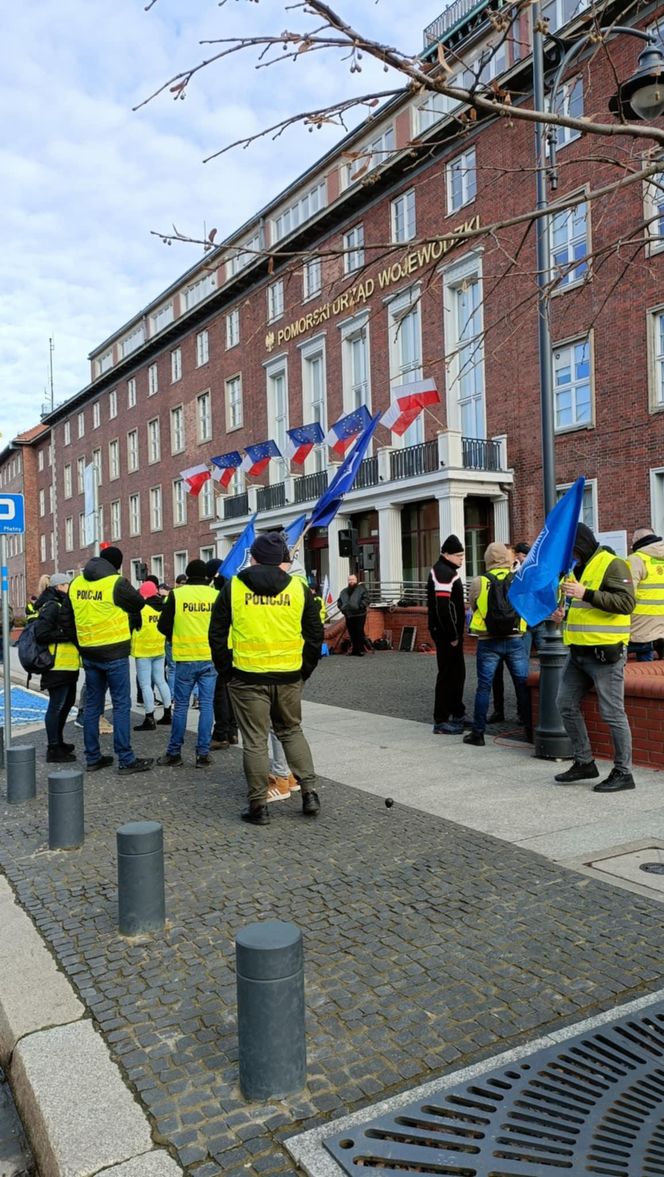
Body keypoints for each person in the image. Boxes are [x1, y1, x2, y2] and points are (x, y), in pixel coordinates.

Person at [209, 530, 323, 825]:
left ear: (254, 557)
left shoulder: (233, 588)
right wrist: (304, 669)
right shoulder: (298, 590)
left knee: (255, 740)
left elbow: (217, 633)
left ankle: (258, 805)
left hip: (247, 676)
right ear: (282, 561)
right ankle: (309, 792)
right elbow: (315, 634)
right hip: (288, 676)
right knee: (291, 731)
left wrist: (226, 670)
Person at [553, 522, 636, 792]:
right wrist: (561, 616)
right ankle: (584, 762)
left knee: (612, 714)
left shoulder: (613, 564)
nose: (571, 556)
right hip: (577, 652)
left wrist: (585, 593)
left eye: (573, 550)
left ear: (581, 544)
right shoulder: (577, 568)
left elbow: (626, 603)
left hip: (605, 654)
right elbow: (580, 608)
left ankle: (624, 773)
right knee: (564, 703)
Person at [69, 545, 153, 775]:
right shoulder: (115, 582)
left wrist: (80, 643)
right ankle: (125, 758)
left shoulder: (76, 583)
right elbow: (138, 602)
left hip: (89, 652)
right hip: (114, 653)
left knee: (93, 704)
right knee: (121, 704)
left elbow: (68, 616)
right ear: (116, 564)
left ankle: (93, 757)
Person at [463, 542, 531, 747]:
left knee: (484, 687)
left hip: (488, 640)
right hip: (515, 639)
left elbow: (473, 605)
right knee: (522, 685)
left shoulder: (479, 581)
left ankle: (478, 733)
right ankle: (530, 730)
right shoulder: (518, 579)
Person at [156, 559, 217, 767]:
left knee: (181, 705)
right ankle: (203, 754)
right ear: (206, 577)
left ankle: (174, 753)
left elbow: (163, 625)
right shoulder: (215, 595)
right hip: (209, 658)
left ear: (188, 576)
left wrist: (175, 637)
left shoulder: (177, 594)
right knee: (207, 705)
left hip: (184, 657)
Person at [32, 573, 81, 762]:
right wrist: (67, 635)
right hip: (56, 665)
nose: (70, 588)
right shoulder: (52, 605)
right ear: (60, 586)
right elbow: (42, 633)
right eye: (68, 585)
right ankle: (53, 748)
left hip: (67, 665)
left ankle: (59, 742)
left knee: (67, 704)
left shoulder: (60, 603)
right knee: (56, 706)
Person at [427, 534, 467, 734]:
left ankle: (457, 711)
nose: (462, 559)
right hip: (447, 635)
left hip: (447, 633)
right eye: (459, 555)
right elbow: (443, 608)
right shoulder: (444, 572)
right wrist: (452, 635)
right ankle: (441, 719)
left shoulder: (446, 570)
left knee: (457, 673)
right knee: (448, 675)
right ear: (447, 554)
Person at [490, 541, 531, 723]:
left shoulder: (520, 574)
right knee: (496, 677)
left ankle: (523, 713)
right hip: (496, 632)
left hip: (515, 633)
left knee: (520, 676)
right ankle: (499, 711)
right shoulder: (493, 576)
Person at [205, 557, 239, 750]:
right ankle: (233, 731)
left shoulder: (217, 593)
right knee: (233, 692)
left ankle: (221, 734)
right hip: (237, 646)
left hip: (223, 647)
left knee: (221, 693)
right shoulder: (234, 590)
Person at [131, 581, 172, 729]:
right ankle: (168, 714)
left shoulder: (140, 609)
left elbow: (132, 627)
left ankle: (149, 718)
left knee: (146, 685)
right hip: (159, 651)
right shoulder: (163, 607)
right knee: (161, 681)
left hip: (143, 652)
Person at [627, 527, 664, 662]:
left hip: (641, 626)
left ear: (637, 539)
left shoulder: (635, 560)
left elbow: (627, 594)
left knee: (641, 672)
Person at [337, 574, 370, 656]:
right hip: (349, 615)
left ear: (356, 580)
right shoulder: (344, 591)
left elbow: (366, 599)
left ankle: (360, 650)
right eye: (349, 580)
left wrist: (361, 606)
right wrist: (342, 609)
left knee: (359, 631)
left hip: (360, 614)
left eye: (353, 579)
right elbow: (339, 602)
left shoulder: (362, 589)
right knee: (352, 633)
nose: (351, 581)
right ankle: (354, 650)